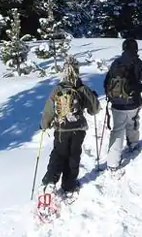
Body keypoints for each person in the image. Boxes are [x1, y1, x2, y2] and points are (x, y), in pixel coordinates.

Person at [39, 56, 100, 197]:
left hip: (61, 129)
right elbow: (95, 109)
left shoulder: (57, 89)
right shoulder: (82, 88)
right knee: (74, 156)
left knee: (58, 154)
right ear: (77, 70)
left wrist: (44, 125)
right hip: (78, 129)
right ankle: (69, 185)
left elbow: (48, 110)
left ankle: (49, 181)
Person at [103, 38, 142, 172]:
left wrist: (111, 97)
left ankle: (112, 163)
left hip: (116, 104)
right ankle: (133, 145)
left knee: (117, 131)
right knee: (133, 122)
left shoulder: (115, 63)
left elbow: (106, 83)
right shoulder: (138, 63)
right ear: (136, 49)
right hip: (133, 102)